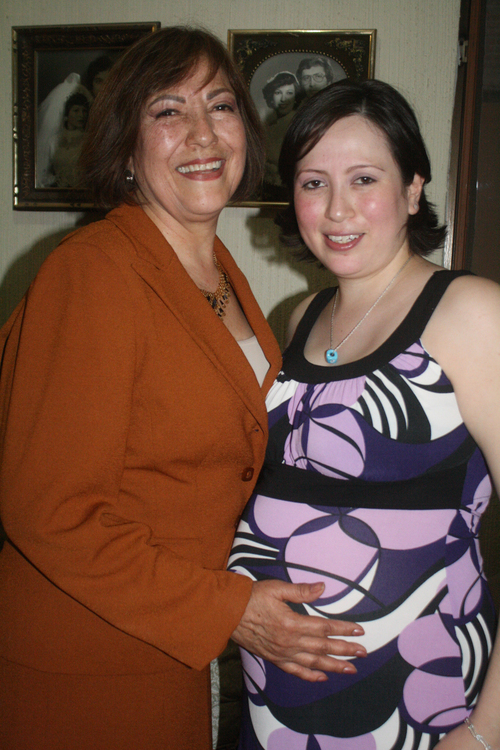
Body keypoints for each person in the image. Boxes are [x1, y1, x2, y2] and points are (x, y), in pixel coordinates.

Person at [0, 28, 365, 750]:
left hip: (175, 651)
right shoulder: (93, 272)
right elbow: (52, 514)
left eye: (220, 106)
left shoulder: (222, 275)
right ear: (126, 149)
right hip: (87, 668)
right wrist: (230, 610)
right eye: (168, 110)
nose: (202, 133)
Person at [229, 79, 500, 749]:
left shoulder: (471, 312)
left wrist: (485, 733)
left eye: (364, 179)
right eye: (313, 183)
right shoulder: (301, 317)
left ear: (412, 189)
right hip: (275, 691)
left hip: (416, 692)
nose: (337, 209)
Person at [262, 71, 300, 188]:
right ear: (271, 96)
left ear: (296, 97)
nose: (283, 99)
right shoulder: (267, 125)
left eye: (289, 93)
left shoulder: (298, 126)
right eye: (278, 93)